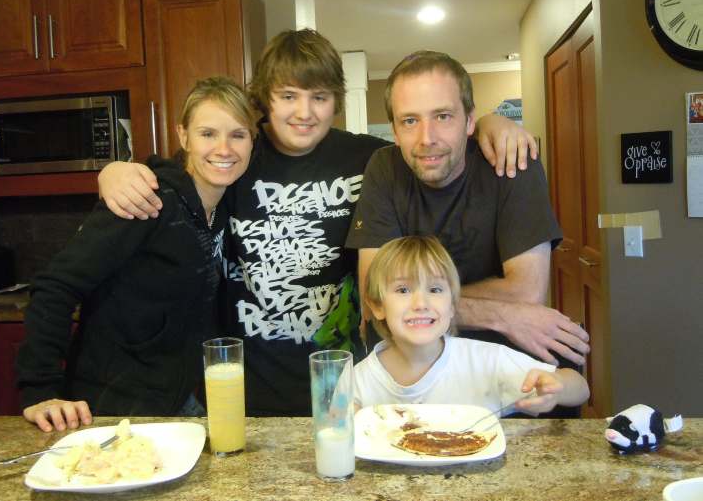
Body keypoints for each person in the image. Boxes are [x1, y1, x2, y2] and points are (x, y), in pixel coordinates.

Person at [97, 30, 535, 416]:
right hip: (249, 386)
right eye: (288, 96)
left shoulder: (370, 158)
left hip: (345, 380)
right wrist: (114, 171)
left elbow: (427, 143)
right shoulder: (238, 153)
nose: (304, 112)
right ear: (264, 100)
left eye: (320, 97)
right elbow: (178, 176)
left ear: (335, 103)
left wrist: (492, 123)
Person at [16, 77, 257, 432]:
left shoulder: (221, 209)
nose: (224, 148)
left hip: (174, 404)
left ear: (252, 140)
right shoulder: (146, 200)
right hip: (112, 410)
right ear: (183, 136)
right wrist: (39, 390)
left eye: (238, 134)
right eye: (208, 133)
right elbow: (56, 286)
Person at [345, 50, 591, 374]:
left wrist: (409, 301)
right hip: (412, 367)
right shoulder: (384, 167)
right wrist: (504, 314)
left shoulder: (512, 161)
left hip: (501, 365)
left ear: (471, 120)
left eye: (443, 116)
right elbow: (374, 296)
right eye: (410, 120)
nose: (427, 138)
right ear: (394, 129)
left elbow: (527, 290)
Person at [354, 236, 589, 413]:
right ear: (377, 306)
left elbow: (580, 388)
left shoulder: (486, 361)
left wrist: (557, 387)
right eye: (403, 290)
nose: (421, 303)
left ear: (452, 305)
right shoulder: (358, 381)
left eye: (435, 289)